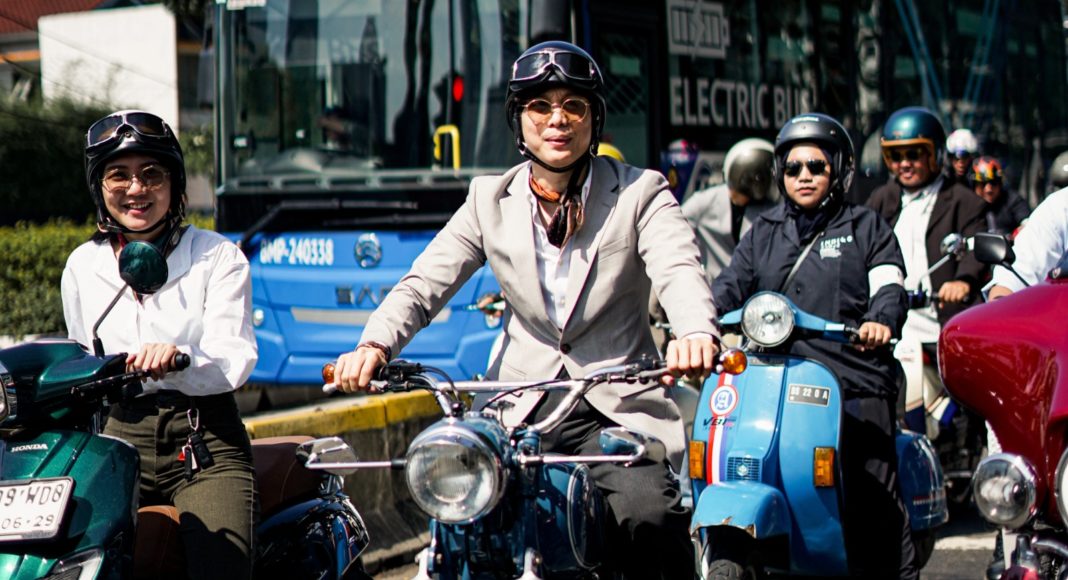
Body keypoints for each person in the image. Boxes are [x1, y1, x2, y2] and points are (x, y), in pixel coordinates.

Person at [332, 41, 719, 579]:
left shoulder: (640, 193)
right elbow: (423, 284)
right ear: (519, 120)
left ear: (594, 119)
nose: (557, 120)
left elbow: (678, 268)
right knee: (458, 523)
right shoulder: (488, 199)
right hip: (516, 408)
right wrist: (373, 345)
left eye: (573, 106)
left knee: (648, 514)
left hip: (613, 407)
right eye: (540, 106)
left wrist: (694, 332)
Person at [713, 113, 916, 578]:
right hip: (773, 381)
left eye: (816, 166)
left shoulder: (866, 226)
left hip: (853, 378)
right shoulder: (763, 231)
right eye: (792, 167)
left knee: (873, 499)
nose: (803, 176)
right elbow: (728, 286)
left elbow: (890, 285)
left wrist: (880, 320)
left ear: (838, 170)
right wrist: (694, 322)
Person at [61, 110, 259, 579]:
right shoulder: (82, 266)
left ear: (174, 185)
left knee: (222, 568)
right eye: (119, 175)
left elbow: (234, 357)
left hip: (202, 440)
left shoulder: (217, 256)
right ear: (100, 188)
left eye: (152, 174)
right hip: (117, 435)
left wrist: (179, 361)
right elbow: (77, 359)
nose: (136, 188)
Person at [867, 106, 988, 331]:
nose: (904, 164)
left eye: (913, 154)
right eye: (896, 156)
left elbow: (977, 246)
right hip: (889, 325)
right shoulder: (880, 199)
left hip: (943, 325)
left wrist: (963, 281)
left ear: (935, 155)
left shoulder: (964, 200)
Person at [682, 137, 776, 283]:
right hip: (713, 285)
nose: (734, 193)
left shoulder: (771, 211)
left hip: (753, 287)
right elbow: (676, 226)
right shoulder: (707, 200)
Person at [987, 187, 1068, 300]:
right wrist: (1000, 305)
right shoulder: (1059, 207)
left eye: (993, 183)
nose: (988, 189)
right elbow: (1015, 278)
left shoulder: (1014, 200)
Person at [969, 156, 1030, 236]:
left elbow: (1027, 222)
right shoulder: (966, 204)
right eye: (983, 184)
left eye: (993, 182)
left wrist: (1020, 231)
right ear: (974, 185)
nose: (988, 189)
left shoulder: (1012, 200)